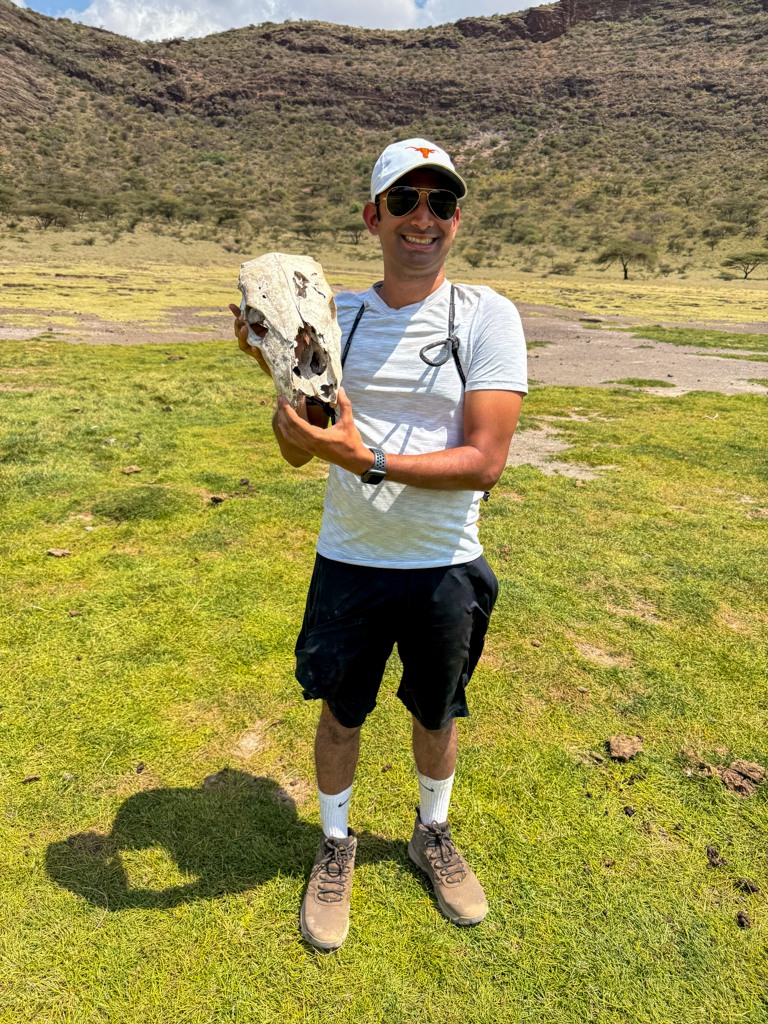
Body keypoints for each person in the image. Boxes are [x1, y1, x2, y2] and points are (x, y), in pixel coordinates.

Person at [229, 137, 527, 951]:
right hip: (349, 560)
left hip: (445, 565)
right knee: (340, 714)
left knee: (437, 711)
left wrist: (370, 457)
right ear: (373, 216)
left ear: (457, 220)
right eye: (404, 201)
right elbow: (299, 451)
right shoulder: (336, 317)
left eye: (440, 202)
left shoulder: (484, 316)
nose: (422, 218)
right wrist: (277, 374)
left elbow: (486, 463)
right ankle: (335, 844)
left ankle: (432, 833)